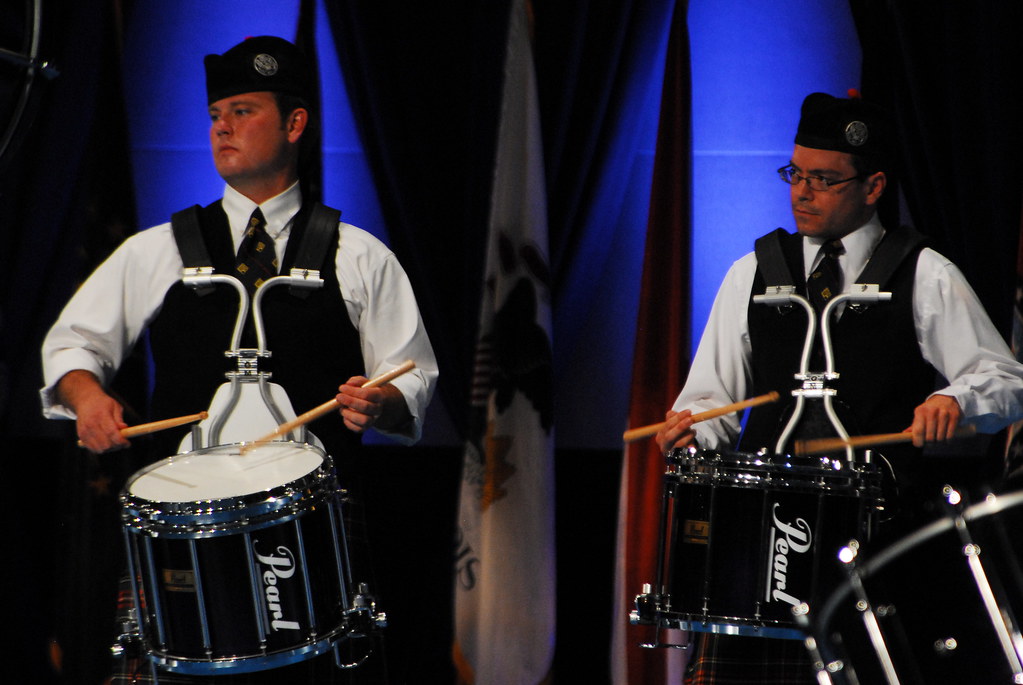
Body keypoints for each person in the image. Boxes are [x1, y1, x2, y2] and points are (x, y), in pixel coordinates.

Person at [40, 36, 438, 684]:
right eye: (216, 113)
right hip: (184, 536)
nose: (221, 126)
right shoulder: (160, 248)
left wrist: (382, 400)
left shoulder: (357, 253)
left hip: (311, 539)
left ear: (295, 122)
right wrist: (87, 396)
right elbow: (71, 344)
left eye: (243, 110)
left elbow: (411, 373)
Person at [654, 91, 1023, 684]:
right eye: (795, 174)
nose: (801, 192)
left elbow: (1005, 380)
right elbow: (709, 402)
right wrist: (690, 431)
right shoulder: (753, 273)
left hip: (879, 540)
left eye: (823, 180)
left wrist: (956, 400)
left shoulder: (922, 272)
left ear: (873, 186)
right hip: (764, 542)